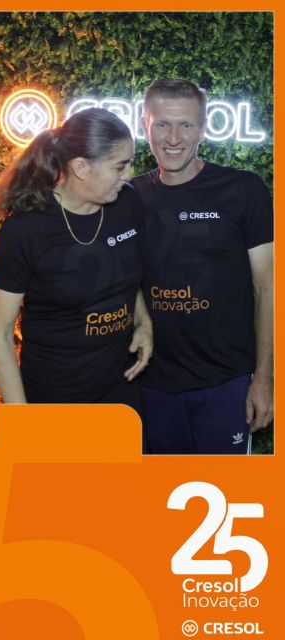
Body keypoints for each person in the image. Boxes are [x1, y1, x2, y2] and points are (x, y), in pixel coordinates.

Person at [132, 78, 273, 454]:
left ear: (204, 127)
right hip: (152, 385)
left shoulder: (243, 190)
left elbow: (267, 288)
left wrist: (264, 378)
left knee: (223, 489)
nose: (173, 138)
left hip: (227, 383)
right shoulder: (130, 197)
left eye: (186, 125)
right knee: (160, 490)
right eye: (162, 124)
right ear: (145, 125)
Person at [0, 108, 153, 423]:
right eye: (120, 166)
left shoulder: (128, 204)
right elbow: (0, 333)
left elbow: (128, 279)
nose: (128, 175)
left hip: (122, 392)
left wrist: (144, 324)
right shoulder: (25, 230)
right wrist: (22, 420)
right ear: (81, 168)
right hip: (55, 399)